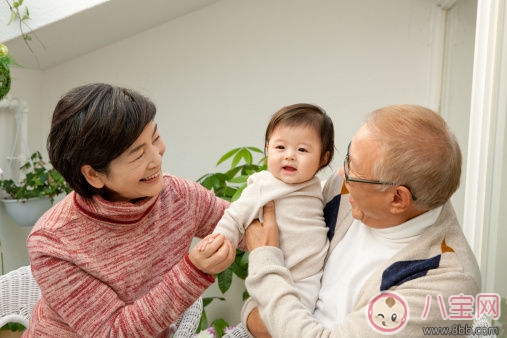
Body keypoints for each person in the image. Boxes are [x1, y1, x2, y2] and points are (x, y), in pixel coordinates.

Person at [243, 104, 481, 337]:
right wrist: (259, 318)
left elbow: (270, 284)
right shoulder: (345, 194)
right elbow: (262, 315)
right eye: (349, 157)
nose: (340, 174)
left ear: (397, 198)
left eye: (353, 169)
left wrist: (264, 261)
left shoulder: (443, 285)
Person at [24, 83, 236, 337]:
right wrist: (194, 271)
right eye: (137, 154)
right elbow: (114, 332)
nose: (157, 158)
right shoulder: (52, 243)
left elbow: (242, 223)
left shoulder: (178, 195)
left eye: (155, 138)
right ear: (93, 174)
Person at [202, 103, 334, 325]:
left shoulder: (318, 187)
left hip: (311, 278)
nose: (289, 156)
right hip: (279, 274)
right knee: (282, 322)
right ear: (267, 149)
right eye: (280, 147)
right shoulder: (264, 185)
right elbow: (236, 216)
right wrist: (221, 239)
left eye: (302, 150)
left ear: (323, 159)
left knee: (299, 324)